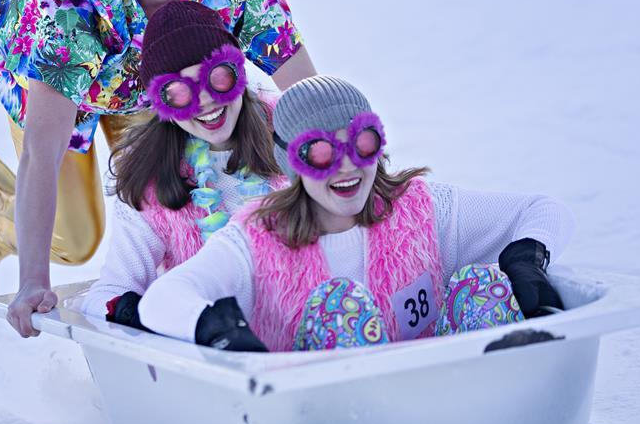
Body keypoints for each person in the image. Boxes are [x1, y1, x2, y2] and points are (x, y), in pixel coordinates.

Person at [0, 0, 316, 338]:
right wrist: (34, 280)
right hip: (58, 71)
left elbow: (310, 97)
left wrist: (361, 193)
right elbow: (43, 151)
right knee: (77, 238)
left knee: (171, 200)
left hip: (162, 85)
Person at [122, 76, 574, 352]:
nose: (346, 165)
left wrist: (527, 258)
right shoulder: (257, 239)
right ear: (289, 163)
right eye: (319, 151)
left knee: (486, 286)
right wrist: (216, 327)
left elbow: (541, 209)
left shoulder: (420, 209)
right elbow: (163, 298)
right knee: (342, 308)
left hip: (445, 413)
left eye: (361, 144)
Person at [70, 0, 286, 352]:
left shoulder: (292, 132)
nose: (204, 101)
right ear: (163, 103)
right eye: (180, 92)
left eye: (217, 77)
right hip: (221, 365)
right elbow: (105, 294)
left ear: (238, 73)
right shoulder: (152, 181)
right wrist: (178, 319)